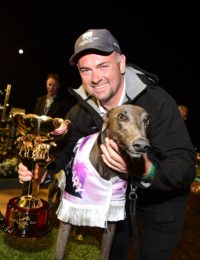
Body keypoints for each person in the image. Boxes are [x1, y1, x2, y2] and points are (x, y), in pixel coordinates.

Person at [18, 29, 196, 260]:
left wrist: (144, 170)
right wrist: (43, 170)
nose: (95, 77)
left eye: (103, 66)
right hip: (115, 206)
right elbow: (65, 151)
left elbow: (184, 164)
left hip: (161, 204)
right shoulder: (81, 110)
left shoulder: (156, 102)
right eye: (86, 69)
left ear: (121, 63)